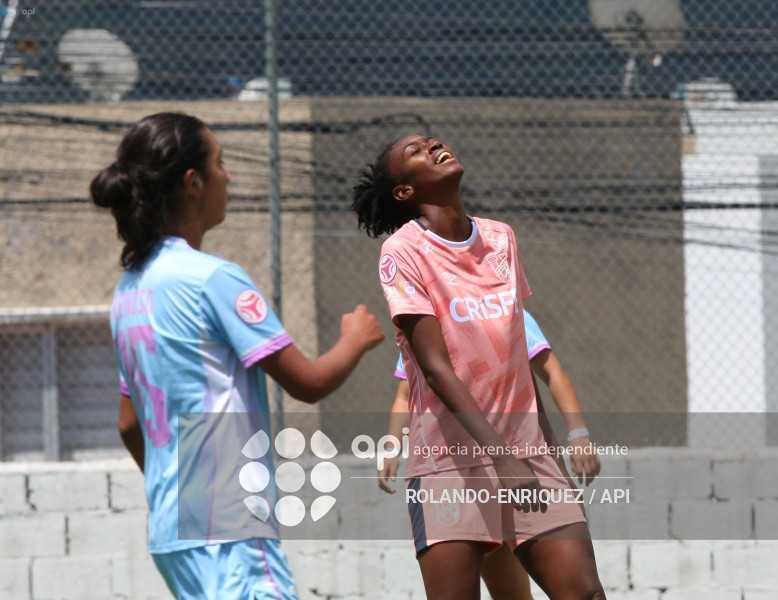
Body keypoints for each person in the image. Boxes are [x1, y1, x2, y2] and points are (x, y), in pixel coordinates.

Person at [90, 112, 384, 600]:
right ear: (193, 182)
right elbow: (308, 382)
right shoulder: (212, 279)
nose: (228, 176)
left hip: (171, 530)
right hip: (228, 522)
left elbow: (128, 424)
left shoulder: (129, 292)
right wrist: (354, 339)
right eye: (220, 163)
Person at [352, 134, 606, 600]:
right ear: (405, 191)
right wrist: (500, 456)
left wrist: (549, 451)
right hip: (449, 464)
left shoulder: (501, 237)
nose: (432, 145)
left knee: (584, 593)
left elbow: (517, 360)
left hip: (526, 454)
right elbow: (433, 369)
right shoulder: (402, 252)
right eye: (415, 151)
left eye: (431, 141)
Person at [379, 310, 600, 600]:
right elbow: (404, 394)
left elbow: (552, 372)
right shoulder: (425, 325)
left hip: (519, 465)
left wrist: (578, 434)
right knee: (507, 594)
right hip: (457, 472)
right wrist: (391, 447)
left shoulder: (508, 312)